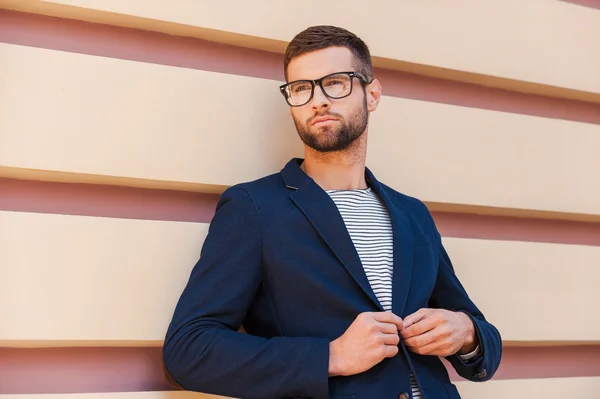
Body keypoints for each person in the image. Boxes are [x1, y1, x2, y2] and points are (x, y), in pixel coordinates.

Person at [163, 25, 502, 399]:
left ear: (372, 94)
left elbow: (483, 340)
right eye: (301, 88)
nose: (318, 100)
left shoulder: (413, 214)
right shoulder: (255, 208)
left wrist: (466, 332)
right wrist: (330, 356)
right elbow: (189, 350)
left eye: (336, 83)